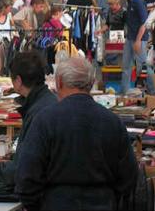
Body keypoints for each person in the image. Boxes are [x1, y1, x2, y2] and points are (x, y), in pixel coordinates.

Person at [15, 57, 138, 211]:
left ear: (59, 82)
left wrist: (40, 205)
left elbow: (26, 178)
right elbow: (129, 177)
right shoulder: (112, 122)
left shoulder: (45, 120)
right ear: (92, 83)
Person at [0, 51, 57, 186]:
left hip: (42, 189)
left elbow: (29, 166)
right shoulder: (46, 101)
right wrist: (13, 159)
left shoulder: (38, 110)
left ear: (18, 81)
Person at [119, 0, 155, 95]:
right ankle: (124, 91)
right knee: (126, 65)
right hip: (130, 37)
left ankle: (153, 90)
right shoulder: (130, 2)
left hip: (138, 39)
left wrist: (138, 40)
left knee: (142, 66)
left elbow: (143, 23)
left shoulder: (138, 2)